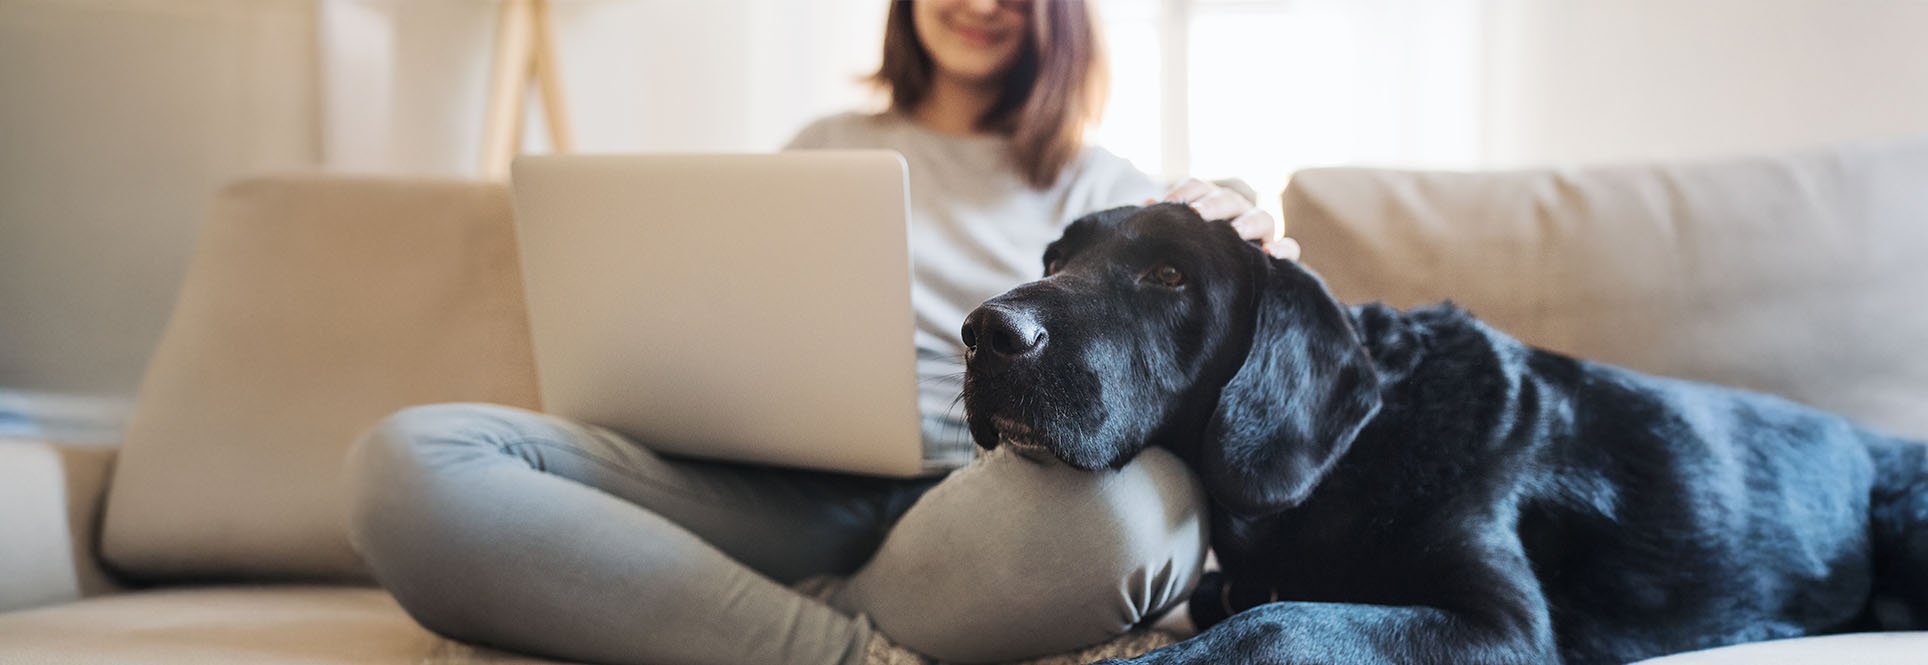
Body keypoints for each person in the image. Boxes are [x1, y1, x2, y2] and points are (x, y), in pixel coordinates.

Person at [342, 1, 1298, 664]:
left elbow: (1215, 311)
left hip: (988, 501)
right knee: (413, 463)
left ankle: (708, 610)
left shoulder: (1108, 186)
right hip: (775, 486)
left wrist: (1243, 220)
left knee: (1133, 519)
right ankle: (848, 644)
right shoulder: (823, 147)